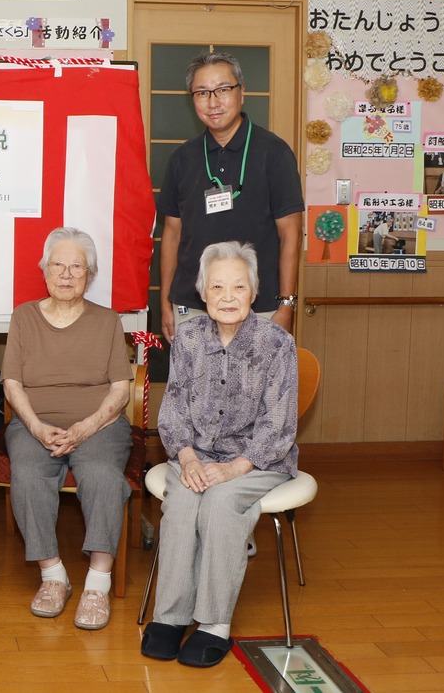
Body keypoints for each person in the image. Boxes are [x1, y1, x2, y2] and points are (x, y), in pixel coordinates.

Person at [141, 241, 298, 668]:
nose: (228, 297)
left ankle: (214, 624)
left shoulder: (277, 343)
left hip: (258, 459)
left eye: (238, 287)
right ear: (203, 293)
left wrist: (234, 468)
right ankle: (171, 617)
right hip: (196, 453)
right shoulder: (188, 338)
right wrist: (189, 459)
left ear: (254, 292)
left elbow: (279, 423)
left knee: (221, 503)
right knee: (183, 501)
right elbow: (172, 408)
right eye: (217, 287)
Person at [0, 226, 134, 632]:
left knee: (101, 475)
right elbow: (11, 383)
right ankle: (53, 575)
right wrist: (37, 426)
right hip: (33, 423)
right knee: (28, 473)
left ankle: (97, 583)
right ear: (44, 270)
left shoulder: (107, 320)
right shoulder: (23, 317)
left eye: (78, 266)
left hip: (99, 424)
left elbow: (120, 388)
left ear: (90, 275)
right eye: (58, 264)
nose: (67, 274)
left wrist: (87, 426)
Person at [158, 52, 304, 343]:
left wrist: (286, 304)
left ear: (242, 93)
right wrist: (166, 302)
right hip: (192, 306)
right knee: (196, 388)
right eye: (202, 92)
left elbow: (291, 234)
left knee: (255, 389)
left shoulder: (274, 154)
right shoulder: (181, 159)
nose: (213, 102)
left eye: (223, 89)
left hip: (258, 307)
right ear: (193, 99)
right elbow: (172, 235)